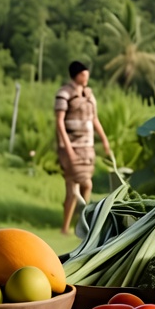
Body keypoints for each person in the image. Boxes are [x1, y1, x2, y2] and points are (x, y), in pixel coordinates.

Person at [55, 61, 112, 235]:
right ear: (77, 75)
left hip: (87, 147)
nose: (86, 78)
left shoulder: (89, 95)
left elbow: (94, 119)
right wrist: (67, 148)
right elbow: (59, 121)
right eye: (84, 74)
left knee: (86, 184)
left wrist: (104, 140)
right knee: (74, 185)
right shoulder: (64, 93)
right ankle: (66, 227)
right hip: (72, 146)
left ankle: (79, 223)